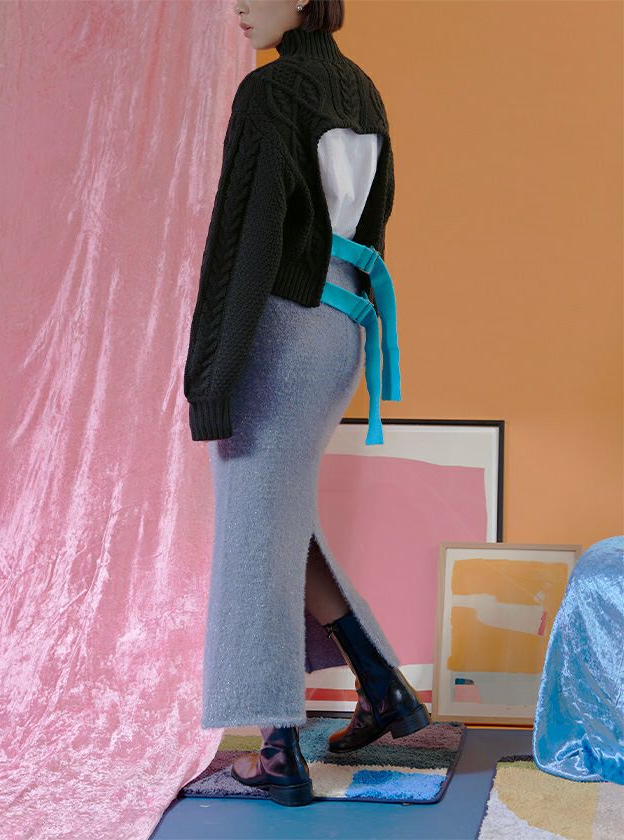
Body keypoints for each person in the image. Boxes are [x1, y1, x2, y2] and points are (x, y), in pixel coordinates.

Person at [183, 0, 428, 807]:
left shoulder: (271, 91)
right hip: (341, 326)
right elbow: (375, 220)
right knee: (280, 520)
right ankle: (382, 687)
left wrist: (211, 373)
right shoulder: (362, 89)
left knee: (255, 534)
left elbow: (245, 241)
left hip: (281, 330)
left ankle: (278, 751)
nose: (238, 5)